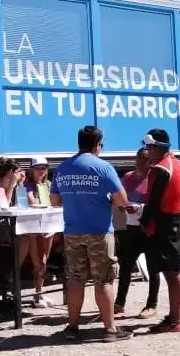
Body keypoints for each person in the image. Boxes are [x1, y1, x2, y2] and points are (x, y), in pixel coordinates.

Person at [49, 126, 134, 342]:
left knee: (76, 280)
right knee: (103, 280)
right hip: (99, 232)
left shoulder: (62, 168)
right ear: (97, 145)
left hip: (72, 232)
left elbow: (54, 201)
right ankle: (110, 330)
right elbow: (122, 200)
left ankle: (72, 327)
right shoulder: (103, 167)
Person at [139, 128, 180, 333]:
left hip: (164, 224)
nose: (146, 151)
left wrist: (143, 221)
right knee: (173, 270)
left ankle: (174, 321)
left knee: (171, 273)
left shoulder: (160, 169)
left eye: (148, 147)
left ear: (156, 147)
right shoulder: (175, 162)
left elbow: (153, 201)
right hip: (176, 220)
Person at [114, 147, 160, 319]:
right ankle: (119, 303)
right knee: (126, 266)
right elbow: (119, 197)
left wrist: (138, 208)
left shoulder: (155, 179)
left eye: (145, 158)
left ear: (152, 161)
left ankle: (151, 305)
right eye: (139, 157)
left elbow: (157, 204)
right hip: (131, 227)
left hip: (149, 228)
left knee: (153, 267)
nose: (140, 161)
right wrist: (121, 205)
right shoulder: (127, 177)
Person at [22, 156, 57, 308]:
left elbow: (55, 201)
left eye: (44, 168)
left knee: (44, 261)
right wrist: (46, 203)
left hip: (48, 226)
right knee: (37, 262)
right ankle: (33, 295)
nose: (41, 171)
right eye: (38, 168)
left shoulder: (48, 184)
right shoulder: (27, 184)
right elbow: (31, 201)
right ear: (32, 170)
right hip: (32, 229)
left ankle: (38, 293)